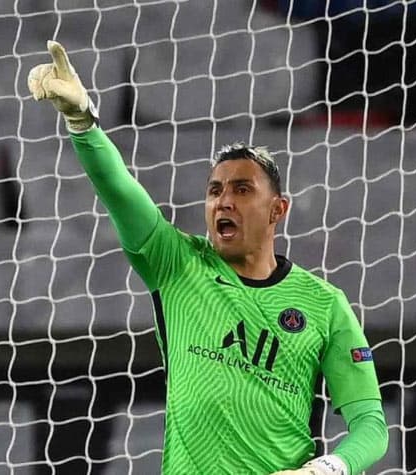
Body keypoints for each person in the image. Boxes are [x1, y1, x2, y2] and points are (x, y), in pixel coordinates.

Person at [28, 40, 388, 475]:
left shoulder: (324, 304)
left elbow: (371, 425)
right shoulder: (177, 263)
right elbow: (119, 190)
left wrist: (328, 468)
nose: (223, 201)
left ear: (277, 209)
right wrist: (83, 123)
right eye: (215, 190)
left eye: (242, 189)